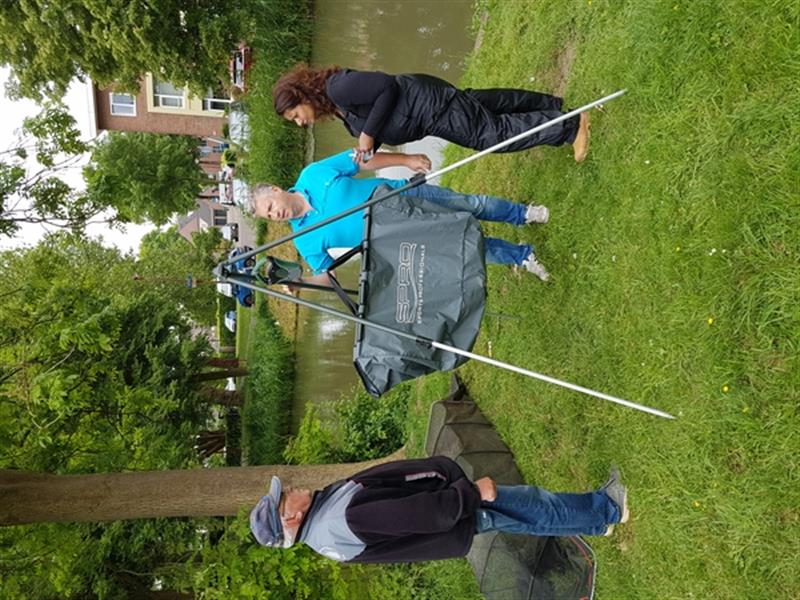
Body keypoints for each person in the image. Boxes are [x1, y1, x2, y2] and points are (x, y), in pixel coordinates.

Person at [248, 149, 552, 287]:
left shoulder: (312, 174)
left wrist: (406, 159)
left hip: (404, 195)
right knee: (465, 247)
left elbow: (361, 159)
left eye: (271, 206)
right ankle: (522, 255)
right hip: (399, 236)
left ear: (276, 190)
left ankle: (523, 214)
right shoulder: (302, 240)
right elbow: (329, 275)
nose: (276, 215)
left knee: (469, 205)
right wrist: (302, 283)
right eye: (269, 216)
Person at [249, 456, 629, 563]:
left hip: (457, 519)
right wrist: (471, 494)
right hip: (460, 510)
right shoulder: (339, 518)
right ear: (291, 518)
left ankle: (596, 524)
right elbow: (419, 514)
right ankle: (610, 509)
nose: (292, 489)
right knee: (534, 505)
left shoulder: (323, 536)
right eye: (285, 497)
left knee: (528, 518)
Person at [272, 65, 591, 163]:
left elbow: (386, 87)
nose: (300, 122)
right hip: (427, 109)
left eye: (295, 114)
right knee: (487, 105)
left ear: (302, 95)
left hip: (429, 106)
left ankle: (569, 126)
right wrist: (367, 147)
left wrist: (367, 133)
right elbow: (378, 120)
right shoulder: (337, 107)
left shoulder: (338, 87)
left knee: (490, 135)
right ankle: (552, 106)